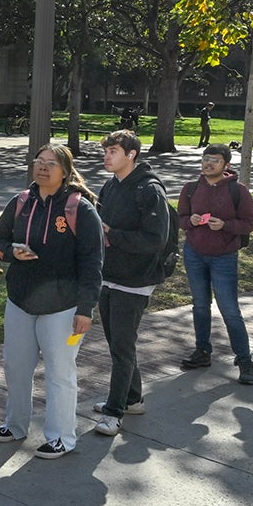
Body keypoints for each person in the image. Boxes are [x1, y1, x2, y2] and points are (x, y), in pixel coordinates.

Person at [0, 146, 103, 456]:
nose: (43, 168)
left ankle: (61, 437)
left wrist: (85, 309)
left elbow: (93, 262)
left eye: (51, 164)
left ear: (65, 172)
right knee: (15, 366)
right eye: (39, 162)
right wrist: (12, 252)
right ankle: (15, 425)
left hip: (64, 308)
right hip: (20, 302)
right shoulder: (21, 202)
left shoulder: (81, 209)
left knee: (60, 372)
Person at [90, 131, 172, 438]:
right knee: (117, 343)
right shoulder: (110, 186)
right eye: (106, 151)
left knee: (122, 346)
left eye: (113, 151)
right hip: (109, 274)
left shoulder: (149, 189)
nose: (107, 156)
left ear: (131, 154)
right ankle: (133, 398)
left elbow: (156, 239)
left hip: (136, 279)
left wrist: (113, 235)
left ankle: (114, 412)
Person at [171, 145, 253, 385]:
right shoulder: (190, 189)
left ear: (226, 166)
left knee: (230, 310)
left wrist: (226, 225)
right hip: (194, 253)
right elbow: (179, 219)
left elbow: (250, 222)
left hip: (224, 257)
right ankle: (202, 352)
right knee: (200, 306)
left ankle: (244, 360)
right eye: (206, 159)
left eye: (215, 161)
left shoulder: (237, 190)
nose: (208, 164)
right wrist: (191, 220)